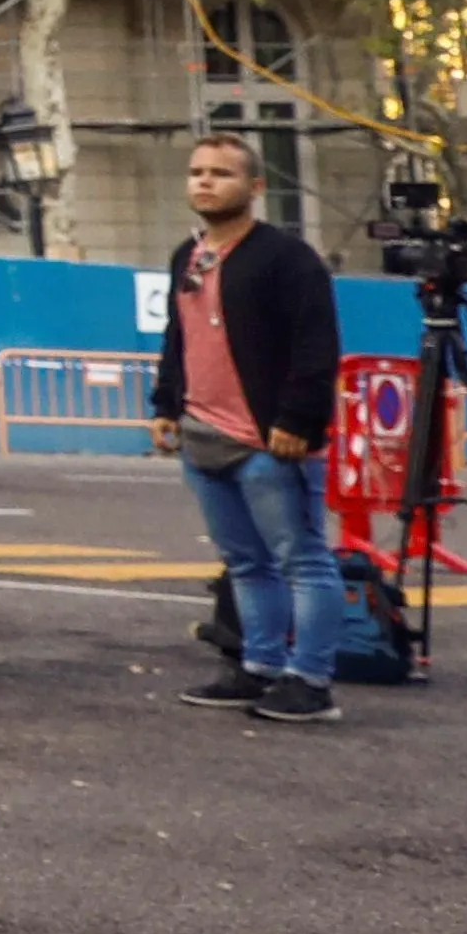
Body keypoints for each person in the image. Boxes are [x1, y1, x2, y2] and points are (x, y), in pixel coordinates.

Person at [154, 129, 355, 723]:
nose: (205, 182)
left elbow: (316, 345)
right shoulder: (187, 256)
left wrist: (299, 418)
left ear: (255, 187)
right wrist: (166, 405)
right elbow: (179, 336)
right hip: (202, 435)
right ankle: (258, 667)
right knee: (245, 562)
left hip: (269, 440)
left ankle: (312, 681)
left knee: (303, 559)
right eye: (197, 173)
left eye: (221, 173)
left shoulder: (287, 259)